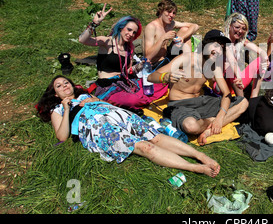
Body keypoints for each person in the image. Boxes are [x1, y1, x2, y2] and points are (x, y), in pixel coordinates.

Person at [36, 76, 220, 177]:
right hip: (101, 129)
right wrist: (68, 109)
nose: (64, 86)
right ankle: (193, 167)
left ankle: (200, 155)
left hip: (120, 117)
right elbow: (61, 136)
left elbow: (108, 106)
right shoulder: (58, 108)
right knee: (144, 147)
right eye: (59, 86)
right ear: (55, 93)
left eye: (66, 82)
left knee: (155, 136)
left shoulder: (85, 96)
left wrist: (95, 100)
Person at [148, 29, 249, 145]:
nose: (218, 51)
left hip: (202, 102)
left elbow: (226, 94)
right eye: (215, 46)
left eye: (222, 48)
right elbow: (151, 77)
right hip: (180, 104)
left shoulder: (214, 67)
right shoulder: (187, 59)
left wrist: (221, 115)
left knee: (244, 102)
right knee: (191, 127)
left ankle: (209, 130)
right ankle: (212, 122)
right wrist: (165, 77)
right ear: (205, 45)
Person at [78, 3, 167, 111]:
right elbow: (83, 40)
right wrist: (94, 24)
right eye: (129, 30)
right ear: (121, 28)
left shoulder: (129, 47)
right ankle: (121, 101)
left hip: (125, 82)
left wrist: (139, 66)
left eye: (134, 33)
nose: (131, 34)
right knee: (134, 100)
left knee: (159, 84)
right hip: (108, 87)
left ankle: (137, 100)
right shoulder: (108, 42)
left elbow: (129, 71)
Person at [222, 12, 269, 98]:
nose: (240, 31)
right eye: (237, 27)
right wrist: (239, 77)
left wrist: (265, 58)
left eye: (243, 29)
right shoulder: (224, 41)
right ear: (229, 26)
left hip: (238, 81)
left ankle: (253, 97)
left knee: (260, 60)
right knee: (229, 67)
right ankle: (241, 100)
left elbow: (258, 49)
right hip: (223, 84)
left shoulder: (240, 41)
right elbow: (232, 60)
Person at [144, 0, 199, 70]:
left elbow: (195, 26)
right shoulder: (151, 27)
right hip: (155, 64)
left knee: (185, 30)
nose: (171, 15)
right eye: (169, 12)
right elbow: (148, 56)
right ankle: (189, 66)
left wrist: (182, 38)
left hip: (167, 57)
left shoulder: (170, 24)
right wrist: (163, 38)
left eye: (174, 13)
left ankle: (190, 64)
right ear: (161, 11)